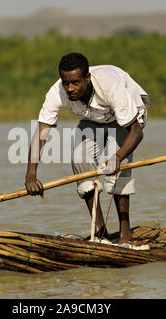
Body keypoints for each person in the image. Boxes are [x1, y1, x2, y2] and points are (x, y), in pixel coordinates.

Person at [25, 52, 150, 245]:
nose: (70, 88)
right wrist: (31, 176)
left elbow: (136, 132)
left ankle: (126, 235)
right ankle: (101, 234)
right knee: (79, 158)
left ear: (88, 78)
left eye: (75, 82)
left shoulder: (110, 86)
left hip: (127, 119)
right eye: (66, 83)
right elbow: (41, 134)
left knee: (117, 165)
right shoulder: (56, 92)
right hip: (93, 118)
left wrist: (117, 156)